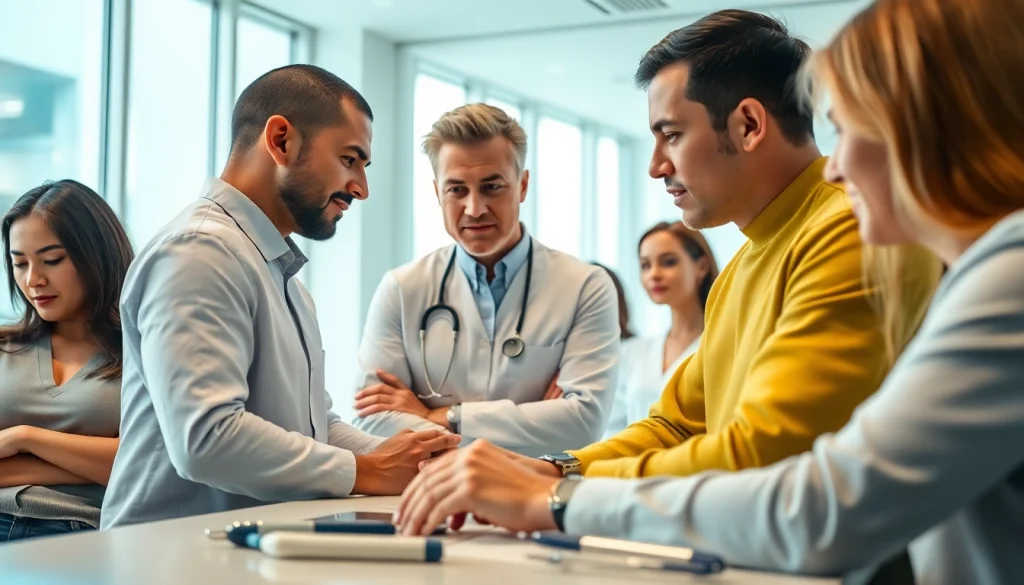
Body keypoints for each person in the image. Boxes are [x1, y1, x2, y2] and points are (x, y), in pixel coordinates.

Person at [395, 0, 1024, 583]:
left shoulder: (851, 235)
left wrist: (552, 495)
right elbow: (676, 422)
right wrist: (556, 468)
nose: (656, 165)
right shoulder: (751, 258)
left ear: (748, 124)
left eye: (670, 134)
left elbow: (775, 465)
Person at [101, 65, 459, 529]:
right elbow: (206, 439)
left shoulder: (278, 273)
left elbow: (314, 426)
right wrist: (369, 470)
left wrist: (420, 458)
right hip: (167, 559)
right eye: (350, 159)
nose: (361, 189)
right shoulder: (199, 252)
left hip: (241, 551)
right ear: (281, 140)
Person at [350, 103, 620, 456]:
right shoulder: (402, 289)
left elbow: (583, 424)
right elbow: (372, 420)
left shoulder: (585, 286)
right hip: (427, 500)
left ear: (522, 186)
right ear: (437, 192)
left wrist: (443, 416)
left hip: (533, 497)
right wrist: (535, 421)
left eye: (492, 187)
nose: (474, 208)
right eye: (457, 190)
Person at [0, 180, 133, 540]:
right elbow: (120, 460)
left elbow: (144, 461)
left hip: (80, 532)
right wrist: (91, 462)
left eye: (52, 260)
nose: (33, 280)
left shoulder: (142, 352)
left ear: (96, 254)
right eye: (19, 263)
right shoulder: (3, 347)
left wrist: (22, 438)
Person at [601, 222, 717, 439]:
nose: (654, 274)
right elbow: (612, 429)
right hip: (631, 468)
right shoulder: (632, 352)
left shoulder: (722, 346)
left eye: (668, 262)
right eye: (645, 265)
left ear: (701, 266)